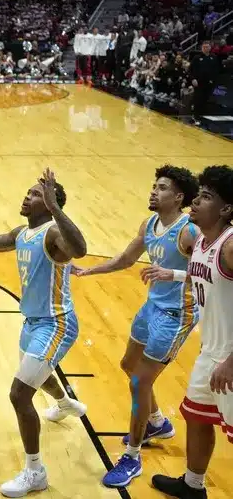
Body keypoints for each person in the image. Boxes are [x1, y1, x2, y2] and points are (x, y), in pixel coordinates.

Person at [0, 169, 88, 498]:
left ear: (48, 203)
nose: (26, 197)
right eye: (29, 193)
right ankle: (64, 403)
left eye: (34, 194)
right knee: (39, 376)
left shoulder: (53, 232)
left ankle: (35, 472)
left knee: (19, 394)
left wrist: (56, 208)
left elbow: (80, 250)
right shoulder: (23, 232)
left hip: (56, 323)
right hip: (32, 322)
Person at [72, 165, 200, 488]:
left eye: (162, 187)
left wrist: (175, 275)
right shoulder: (150, 224)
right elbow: (126, 259)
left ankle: (132, 455)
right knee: (128, 365)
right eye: (154, 185)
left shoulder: (189, 232)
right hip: (152, 307)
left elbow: (209, 272)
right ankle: (156, 422)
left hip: (177, 315)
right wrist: (90, 271)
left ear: (179, 197)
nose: (154, 191)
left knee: (139, 383)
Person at [148, 165, 233, 499]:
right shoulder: (202, 241)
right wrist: (174, 274)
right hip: (211, 351)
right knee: (196, 415)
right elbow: (208, 278)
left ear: (226, 209)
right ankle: (193, 486)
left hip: (229, 356)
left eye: (207, 197)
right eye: (198, 194)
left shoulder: (229, 246)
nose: (196, 201)